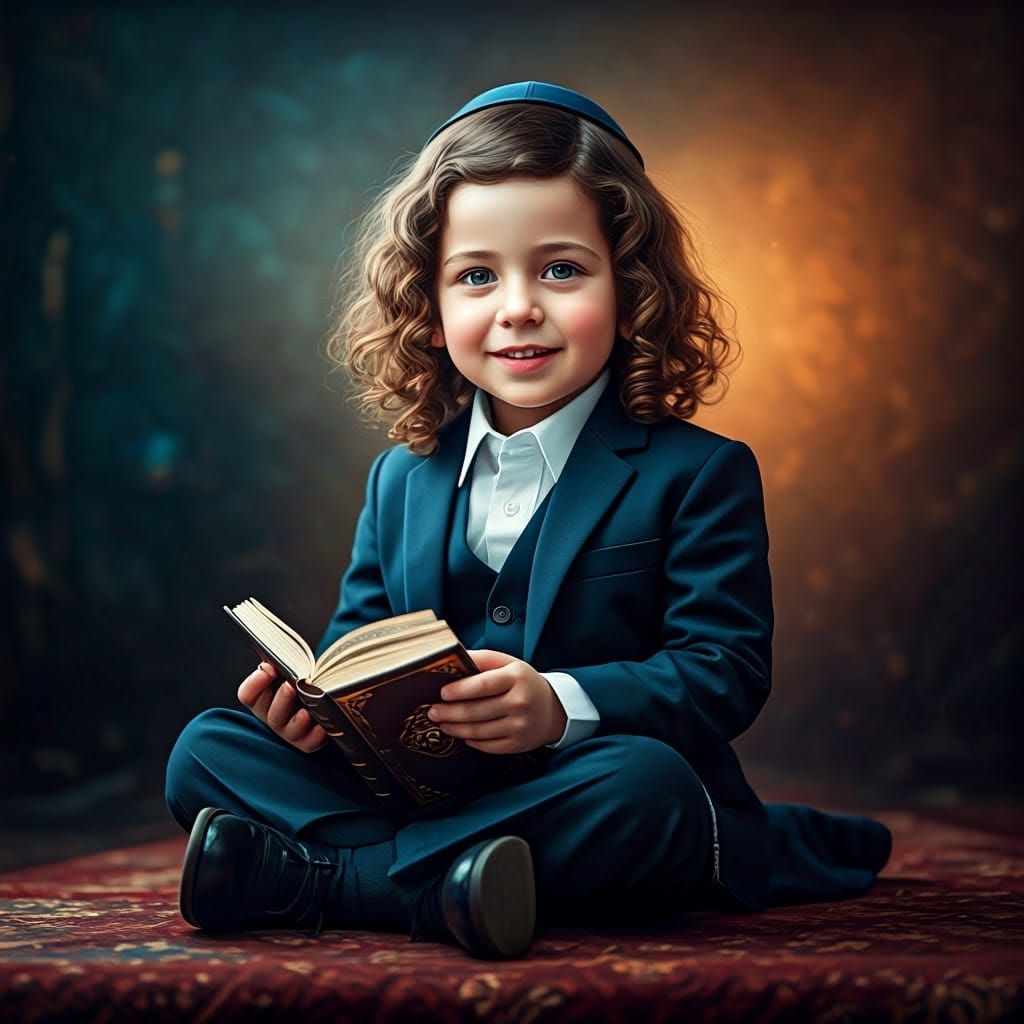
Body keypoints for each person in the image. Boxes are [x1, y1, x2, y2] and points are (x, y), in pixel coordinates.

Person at [165, 81, 892, 960]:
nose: (518, 306)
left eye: (560, 269)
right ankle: (447, 891)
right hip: (430, 797)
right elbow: (362, 643)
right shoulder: (402, 477)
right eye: (477, 276)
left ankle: (318, 881)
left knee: (647, 786)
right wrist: (312, 712)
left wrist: (559, 706)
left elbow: (723, 671)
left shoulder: (699, 471)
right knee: (207, 750)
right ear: (428, 313)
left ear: (629, 290)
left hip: (583, 779)